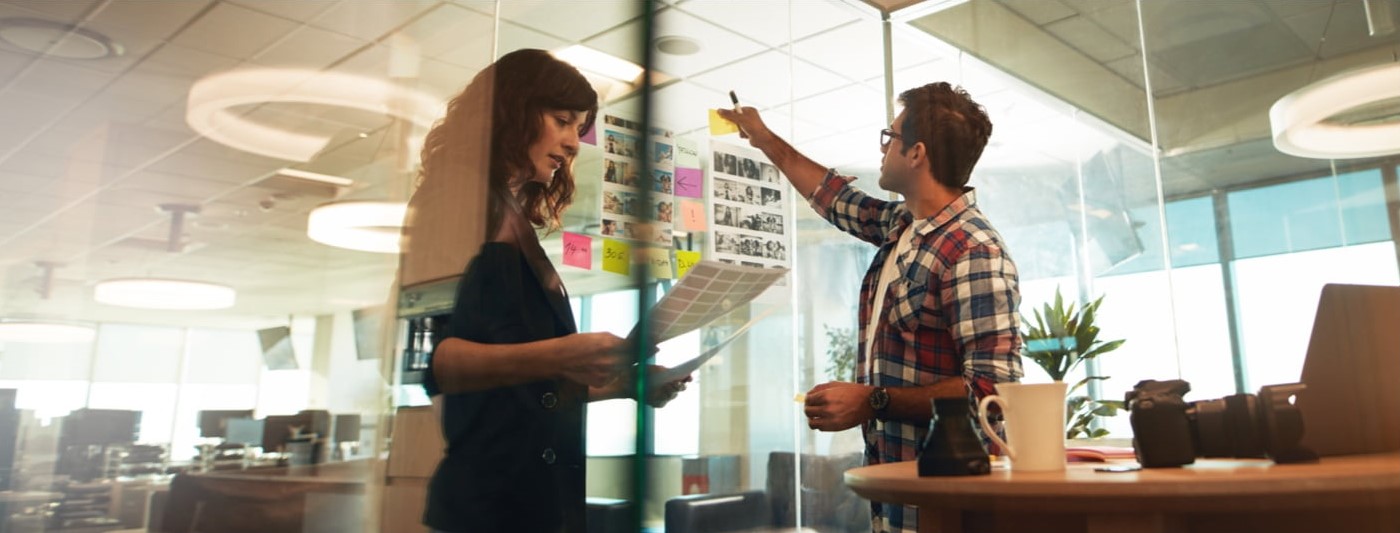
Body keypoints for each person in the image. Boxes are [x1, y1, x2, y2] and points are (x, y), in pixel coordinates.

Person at [718, 82, 1023, 533]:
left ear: (916, 153)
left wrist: (874, 401)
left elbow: (994, 393)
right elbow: (832, 197)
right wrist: (762, 137)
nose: (883, 147)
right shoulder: (904, 226)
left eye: (891, 136)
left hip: (944, 502)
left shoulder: (973, 251)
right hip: (896, 495)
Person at [409, 49, 691, 533]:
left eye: (577, 129)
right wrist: (562, 354)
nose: (573, 143)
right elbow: (432, 361)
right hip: (487, 506)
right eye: (561, 120)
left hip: (535, 497)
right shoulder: (460, 198)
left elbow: (528, 390)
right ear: (511, 111)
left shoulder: (513, 220)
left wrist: (625, 385)